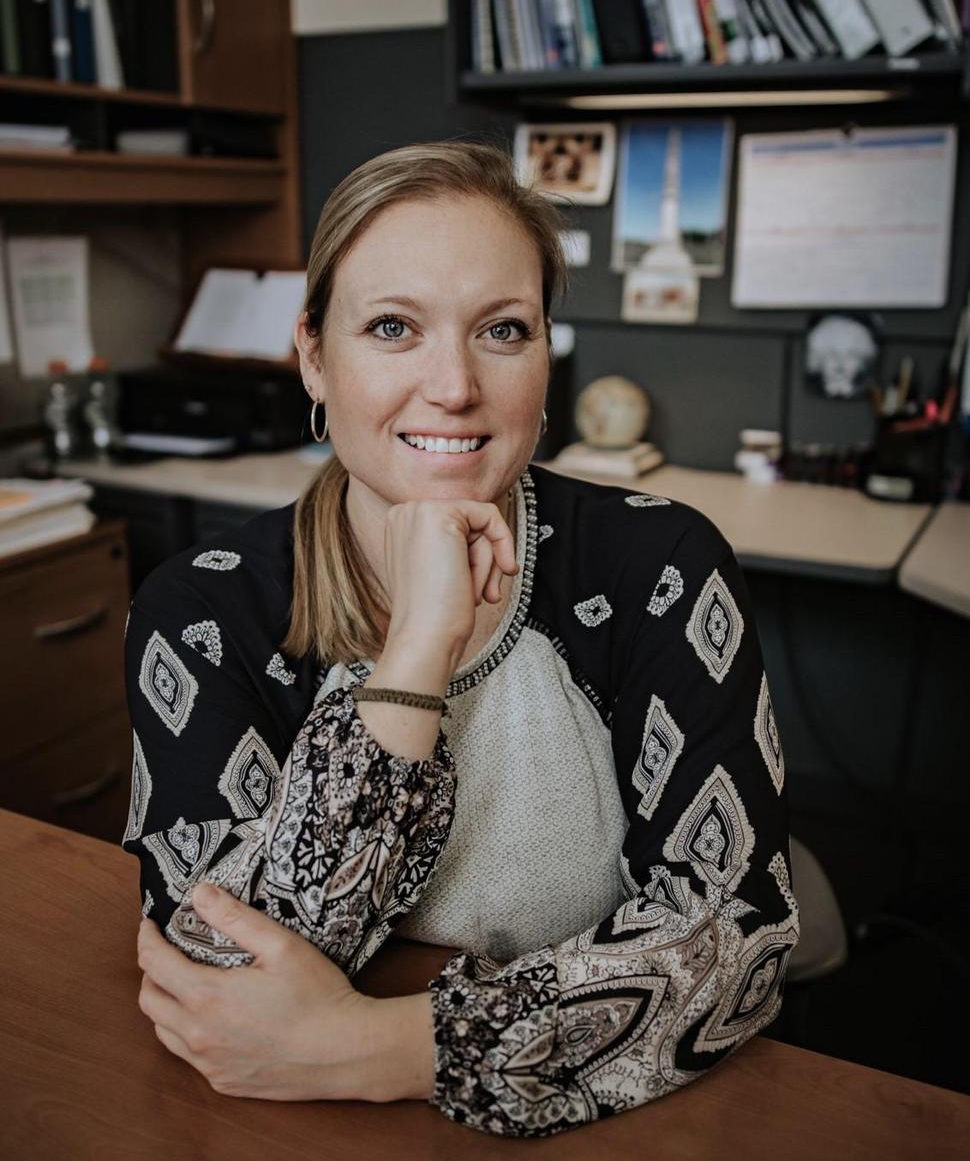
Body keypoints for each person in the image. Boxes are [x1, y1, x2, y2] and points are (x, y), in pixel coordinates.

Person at [125, 140, 798, 1138]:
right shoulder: (200, 611)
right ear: (313, 353)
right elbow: (218, 977)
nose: (452, 386)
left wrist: (384, 1047)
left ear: (544, 352)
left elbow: (737, 940)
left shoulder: (657, 561)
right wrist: (416, 655)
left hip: (612, 1124)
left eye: (502, 330)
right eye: (393, 327)